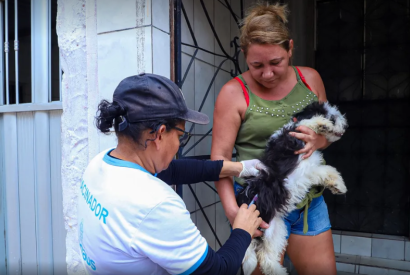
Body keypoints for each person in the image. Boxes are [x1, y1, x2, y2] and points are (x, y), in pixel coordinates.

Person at [77, 73, 264, 275]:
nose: (178, 145)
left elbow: (171, 171)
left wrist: (239, 168)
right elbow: (216, 270)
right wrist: (242, 231)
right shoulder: (156, 204)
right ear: (159, 134)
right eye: (180, 136)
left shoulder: (100, 164)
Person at [211, 3, 336, 275]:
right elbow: (219, 159)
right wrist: (234, 213)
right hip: (259, 207)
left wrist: (319, 141)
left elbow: (327, 132)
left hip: (308, 203)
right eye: (257, 65)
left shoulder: (310, 79)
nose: (267, 73)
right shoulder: (233, 93)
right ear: (244, 55)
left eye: (276, 62)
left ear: (290, 48)